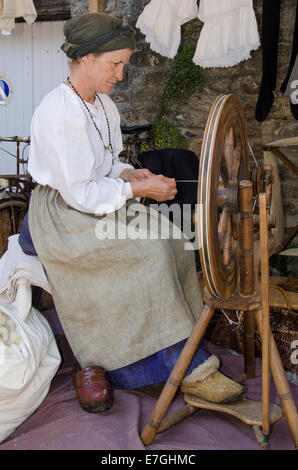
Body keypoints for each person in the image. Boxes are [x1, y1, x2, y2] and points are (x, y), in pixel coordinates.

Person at [19, 12, 244, 413]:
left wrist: (130, 172)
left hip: (95, 197)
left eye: (123, 64)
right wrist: (138, 188)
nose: (121, 75)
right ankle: (165, 366)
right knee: (146, 254)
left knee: (174, 240)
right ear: (86, 59)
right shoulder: (59, 113)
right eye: (115, 64)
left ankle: (186, 348)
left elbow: (103, 164)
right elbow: (81, 192)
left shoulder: (101, 105)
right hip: (61, 213)